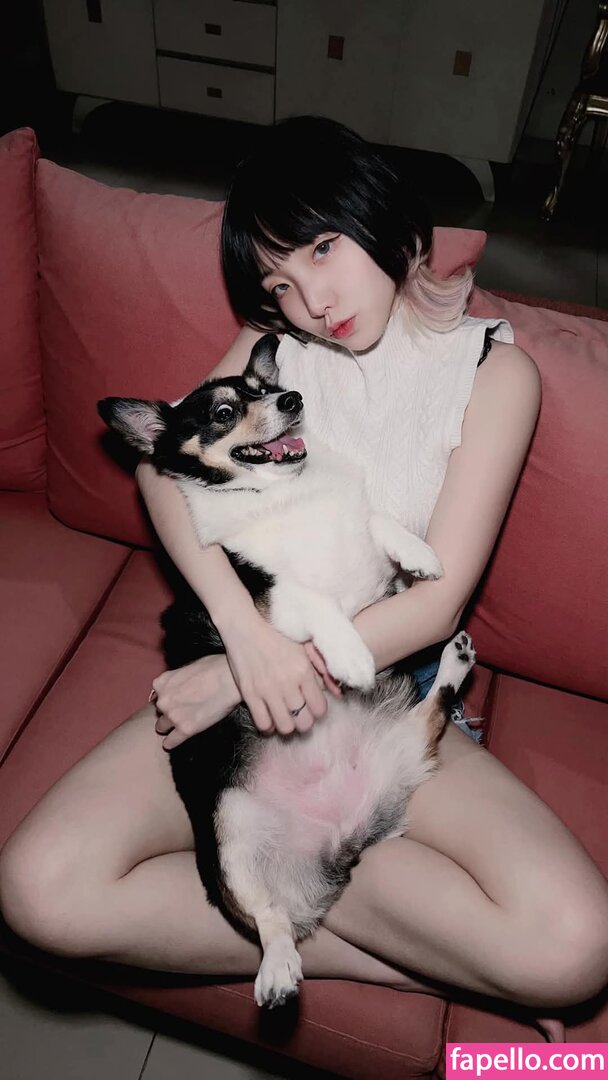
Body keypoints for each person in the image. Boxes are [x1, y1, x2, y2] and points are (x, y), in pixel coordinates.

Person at [1, 117, 607, 1042]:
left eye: (322, 248)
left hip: (380, 688)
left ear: (380, 216)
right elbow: (164, 470)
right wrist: (244, 644)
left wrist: (250, 669)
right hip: (253, 678)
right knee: (38, 890)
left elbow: (438, 601)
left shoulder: (496, 371)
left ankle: (305, 901)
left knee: (576, 947)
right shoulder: (278, 344)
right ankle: (378, 952)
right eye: (280, 280)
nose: (312, 299)